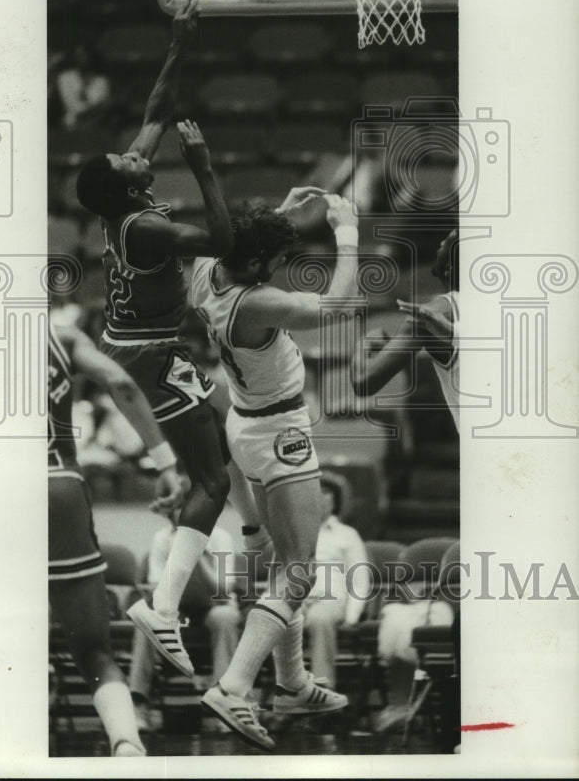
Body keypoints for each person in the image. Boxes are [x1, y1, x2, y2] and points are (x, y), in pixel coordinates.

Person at [75, 0, 271, 679]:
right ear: (123, 187)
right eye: (127, 161)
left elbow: (156, 110)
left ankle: (250, 539)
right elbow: (220, 240)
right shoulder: (147, 227)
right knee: (211, 479)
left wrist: (177, 42)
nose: (136, 155)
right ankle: (161, 606)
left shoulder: (123, 195)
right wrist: (203, 164)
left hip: (147, 342)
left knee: (224, 439)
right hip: (152, 354)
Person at [189, 189, 361, 749]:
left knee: (282, 566)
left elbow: (238, 247)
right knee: (301, 570)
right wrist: (347, 232)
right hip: (279, 432)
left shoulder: (205, 269)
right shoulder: (257, 302)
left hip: (244, 420)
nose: (282, 269)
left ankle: (291, 682)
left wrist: (276, 219)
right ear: (260, 267)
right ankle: (234, 687)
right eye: (277, 261)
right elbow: (336, 308)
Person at [48, 322, 181, 757]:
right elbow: (121, 381)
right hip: (55, 487)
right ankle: (126, 746)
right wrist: (164, 463)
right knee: (93, 653)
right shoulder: (59, 336)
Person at [349, 228, 459, 733]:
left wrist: (364, 348)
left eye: (451, 239)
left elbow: (363, 381)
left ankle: (464, 725)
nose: (442, 241)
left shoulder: (444, 307)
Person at [129, 473, 241, 730]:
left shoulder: (221, 538)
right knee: (145, 620)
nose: (182, 512)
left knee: (226, 618)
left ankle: (222, 704)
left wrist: (196, 549)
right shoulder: (161, 539)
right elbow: (157, 590)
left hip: (215, 608)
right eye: (176, 506)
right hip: (175, 610)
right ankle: (139, 704)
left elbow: (224, 591)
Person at [350, 227, 460, 431]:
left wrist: (363, 344)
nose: (440, 243)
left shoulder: (433, 313)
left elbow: (363, 381)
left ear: (449, 268)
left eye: (447, 242)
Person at [302, 478, 370, 689]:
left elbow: (360, 580)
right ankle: (286, 695)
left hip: (330, 602)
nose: (319, 498)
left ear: (334, 501)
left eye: (325, 493)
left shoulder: (348, 536)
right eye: (315, 492)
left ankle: (323, 691)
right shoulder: (295, 531)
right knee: (277, 621)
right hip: (298, 599)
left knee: (319, 618)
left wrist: (352, 616)